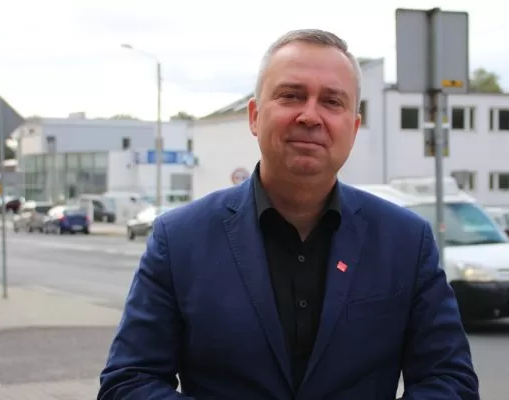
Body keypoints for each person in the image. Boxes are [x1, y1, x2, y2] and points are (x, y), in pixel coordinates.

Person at [98, 29, 479, 400]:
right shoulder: (180, 238)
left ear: (353, 127)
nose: (310, 116)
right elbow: (128, 382)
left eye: (332, 101)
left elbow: (450, 381)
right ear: (254, 116)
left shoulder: (405, 241)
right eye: (291, 96)